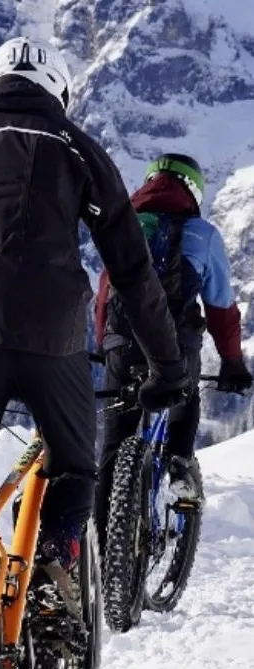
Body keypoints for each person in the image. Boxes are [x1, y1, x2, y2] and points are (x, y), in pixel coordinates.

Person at [0, 38, 188, 633]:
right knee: (74, 466)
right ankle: (55, 568)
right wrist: (167, 366)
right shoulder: (75, 146)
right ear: (60, 94)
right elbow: (130, 271)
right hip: (52, 341)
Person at [95, 153, 253, 550]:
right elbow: (222, 310)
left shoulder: (124, 225)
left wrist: (106, 344)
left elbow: (103, 296)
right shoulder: (203, 234)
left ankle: (100, 553)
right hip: (178, 346)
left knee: (114, 448)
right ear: (194, 190)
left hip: (122, 344)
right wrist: (232, 364)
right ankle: (181, 463)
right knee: (184, 402)